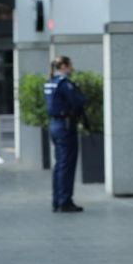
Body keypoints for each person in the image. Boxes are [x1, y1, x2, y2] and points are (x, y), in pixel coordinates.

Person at [43, 55, 87, 213]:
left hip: (55, 124)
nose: (72, 68)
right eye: (70, 65)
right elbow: (79, 101)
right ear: (63, 66)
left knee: (60, 165)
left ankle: (58, 200)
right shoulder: (64, 84)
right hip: (65, 126)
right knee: (66, 165)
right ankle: (64, 201)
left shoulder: (50, 83)